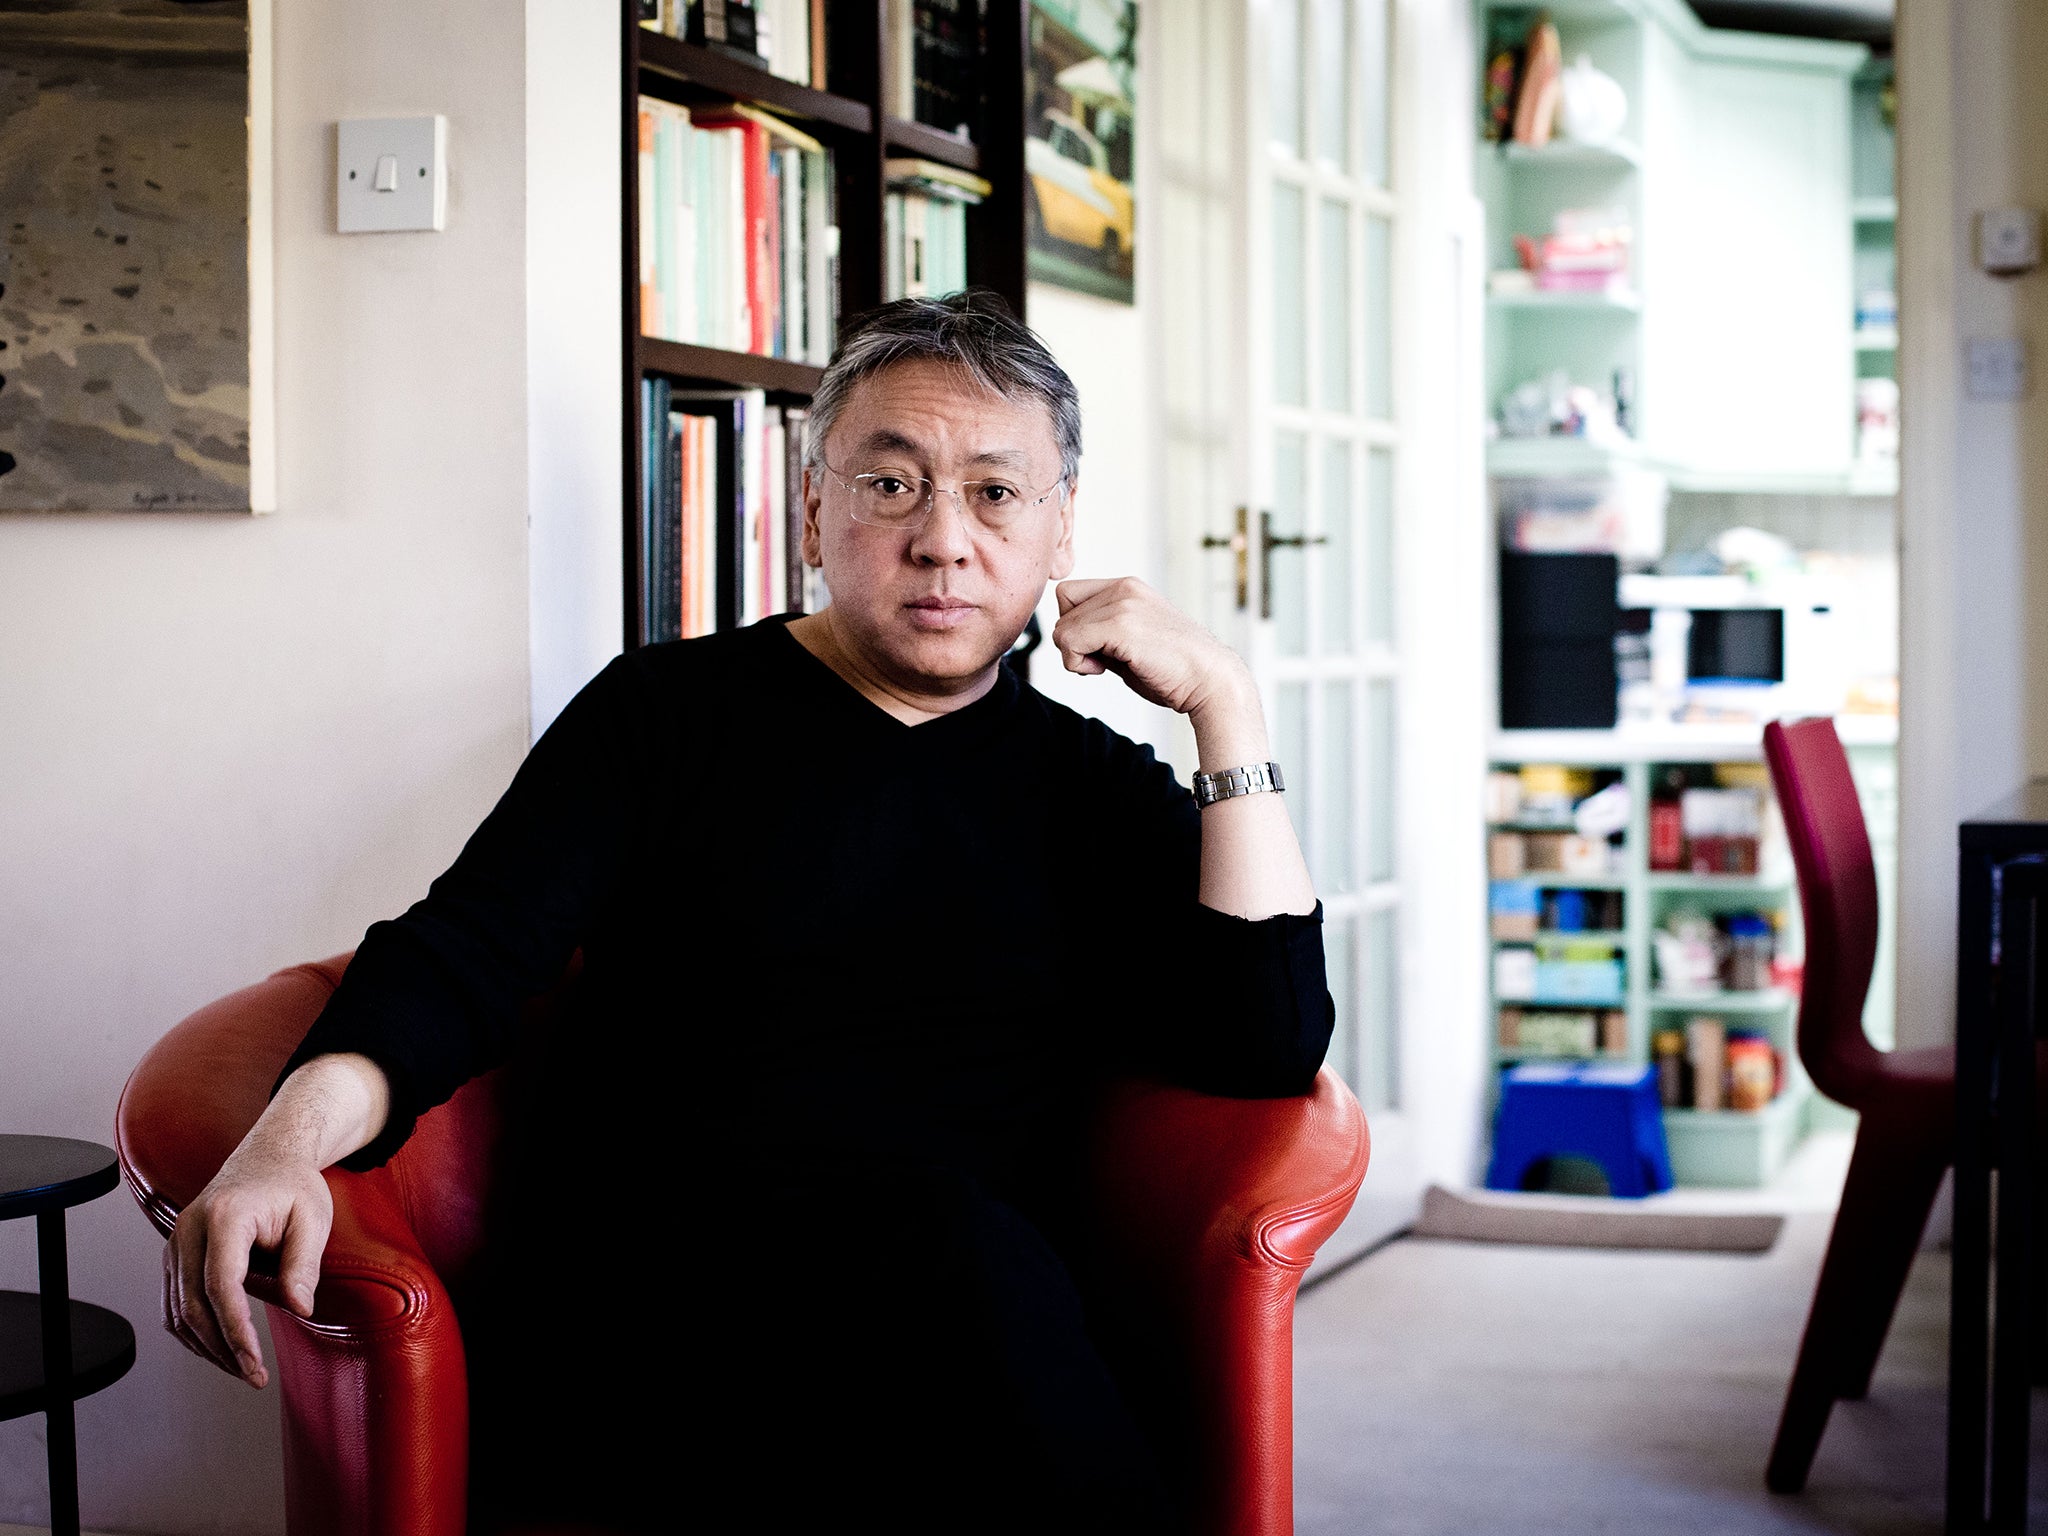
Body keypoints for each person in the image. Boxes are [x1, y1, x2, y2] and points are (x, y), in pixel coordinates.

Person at [161, 290, 1333, 1533]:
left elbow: (1263, 1041)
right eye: (891, 485)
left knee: (970, 1269)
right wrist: (285, 1143)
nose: (943, 539)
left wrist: (1226, 710)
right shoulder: (662, 715)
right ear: (815, 509)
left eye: (995, 492)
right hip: (666, 1310)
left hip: (957, 1333)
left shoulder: (1089, 787)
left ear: (1059, 531)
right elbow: (463, 956)